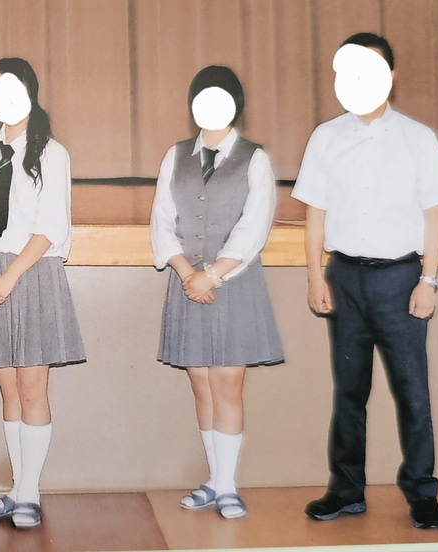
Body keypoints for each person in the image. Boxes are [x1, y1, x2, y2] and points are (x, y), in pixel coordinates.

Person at [292, 32, 438, 530]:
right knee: (349, 392)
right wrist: (315, 276)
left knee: (413, 392)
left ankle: (422, 492)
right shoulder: (326, 137)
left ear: (392, 76)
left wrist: (428, 280)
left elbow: (434, 216)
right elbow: (315, 213)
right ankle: (346, 491)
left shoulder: (417, 138)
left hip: (401, 278)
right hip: (344, 276)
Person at [0, 57, 85, 529]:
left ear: (31, 93)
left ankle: (30, 493)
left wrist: (9, 277)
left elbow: (52, 226)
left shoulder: (52, 153)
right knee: (8, 388)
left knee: (32, 388)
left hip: (32, 274)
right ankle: (16, 488)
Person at [150, 65, 284, 520]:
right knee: (200, 383)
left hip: (233, 284)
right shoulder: (175, 156)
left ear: (235, 104)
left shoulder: (254, 157)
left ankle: (227, 486)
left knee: (227, 383)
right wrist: (188, 272)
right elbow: (162, 219)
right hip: (187, 281)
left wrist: (213, 274)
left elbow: (254, 226)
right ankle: (213, 479)